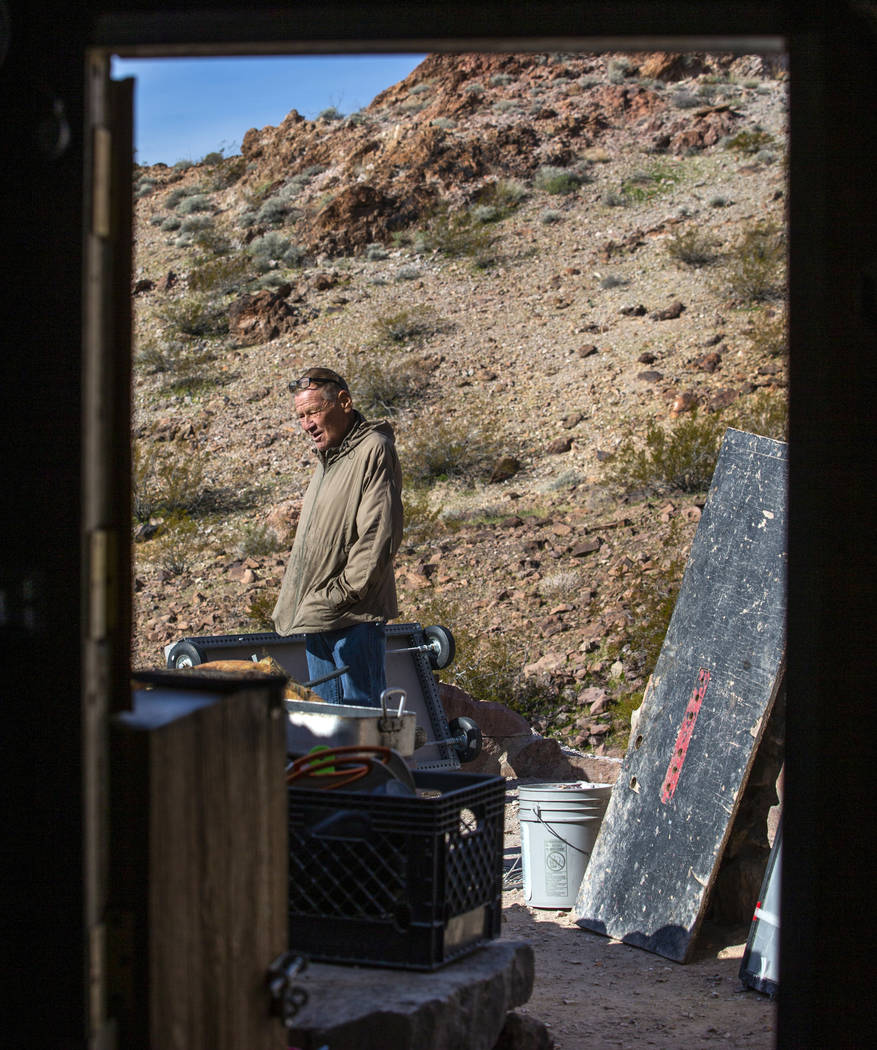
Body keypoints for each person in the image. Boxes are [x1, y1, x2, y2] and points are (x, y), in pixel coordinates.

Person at [272, 366, 403, 706]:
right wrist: (314, 603)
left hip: (352, 617)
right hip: (317, 617)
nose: (307, 424)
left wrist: (339, 595)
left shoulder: (373, 449)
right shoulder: (328, 460)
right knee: (327, 732)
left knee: (362, 730)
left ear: (343, 402)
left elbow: (377, 535)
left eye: (313, 411)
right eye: (301, 416)